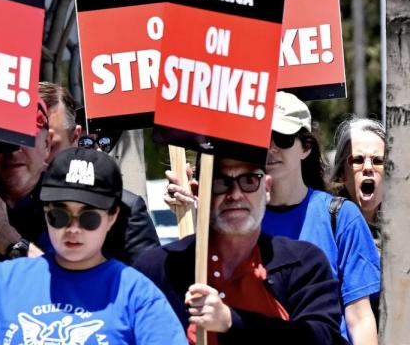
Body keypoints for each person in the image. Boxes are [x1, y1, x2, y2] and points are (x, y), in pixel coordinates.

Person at [0, 147, 187, 345]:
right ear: (46, 213)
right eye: (59, 215)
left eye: (89, 218)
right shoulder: (5, 281)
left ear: (112, 217)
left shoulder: (137, 293)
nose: (73, 228)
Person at [165, 91, 379, 344]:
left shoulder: (340, 216)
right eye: (261, 137)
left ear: (306, 147)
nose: (270, 147)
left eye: (283, 138)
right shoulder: (236, 214)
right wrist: (193, 211)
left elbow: (360, 317)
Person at [135, 156, 346, 344]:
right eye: (221, 182)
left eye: (249, 181)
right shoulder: (159, 268)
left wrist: (230, 320)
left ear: (267, 188)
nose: (235, 195)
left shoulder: (303, 263)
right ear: (199, 192)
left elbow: (322, 337)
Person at [40, 81, 161, 262]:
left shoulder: (125, 209)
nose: (40, 154)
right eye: (28, 142)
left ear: (75, 137)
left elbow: (148, 282)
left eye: (51, 143)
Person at [329, 116, 386, 245]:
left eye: (377, 161)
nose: (367, 168)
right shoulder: (326, 226)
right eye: (357, 160)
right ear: (342, 174)